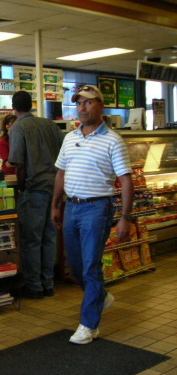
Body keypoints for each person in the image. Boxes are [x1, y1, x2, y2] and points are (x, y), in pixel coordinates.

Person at [51, 85, 133, 345]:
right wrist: (55, 204)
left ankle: (89, 326)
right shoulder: (69, 138)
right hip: (72, 207)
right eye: (78, 103)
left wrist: (125, 217)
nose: (82, 108)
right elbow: (61, 173)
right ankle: (101, 296)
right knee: (75, 266)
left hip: (97, 209)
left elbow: (126, 180)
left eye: (87, 102)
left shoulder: (113, 140)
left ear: (100, 105)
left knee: (90, 267)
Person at [8, 91, 65, 299]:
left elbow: (19, 165)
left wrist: (22, 189)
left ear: (13, 106)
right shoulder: (50, 125)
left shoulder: (18, 128)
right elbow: (64, 155)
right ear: (31, 105)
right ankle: (48, 284)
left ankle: (34, 286)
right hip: (56, 189)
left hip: (35, 190)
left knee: (32, 240)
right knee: (49, 237)